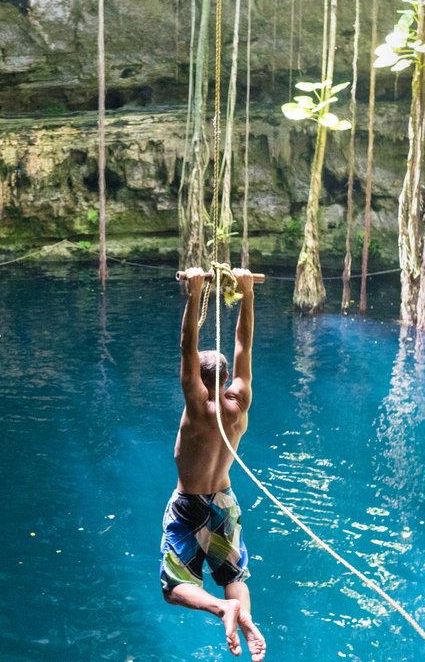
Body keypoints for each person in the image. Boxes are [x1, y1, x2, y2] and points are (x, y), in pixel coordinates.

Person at [160, 266, 266, 661]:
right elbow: (244, 345)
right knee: (232, 576)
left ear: (200, 380)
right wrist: (246, 293)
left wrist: (193, 292)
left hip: (189, 505)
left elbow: (187, 345)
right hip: (225, 502)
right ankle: (246, 619)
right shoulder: (239, 400)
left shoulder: (197, 404)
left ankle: (222, 610)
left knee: (173, 588)